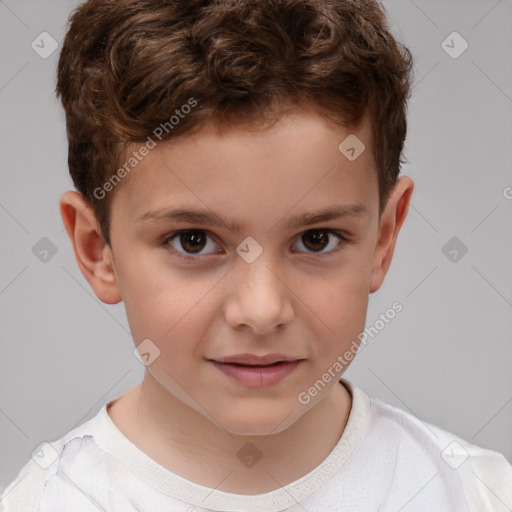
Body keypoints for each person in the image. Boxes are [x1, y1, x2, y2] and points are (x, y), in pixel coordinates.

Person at [2, 0, 511, 510]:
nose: (263, 311)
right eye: (193, 241)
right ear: (99, 252)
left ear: (383, 238)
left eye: (316, 239)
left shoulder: (474, 493)